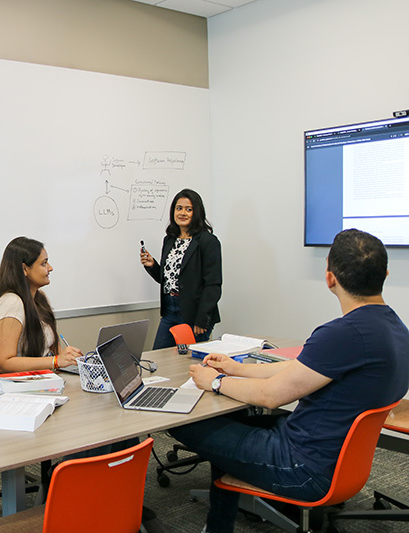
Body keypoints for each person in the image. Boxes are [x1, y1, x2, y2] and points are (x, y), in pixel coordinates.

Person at [169, 229, 409, 533]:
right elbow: (297, 371)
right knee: (237, 421)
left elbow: (272, 396)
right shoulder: (397, 330)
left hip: (300, 465)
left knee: (183, 419)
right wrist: (234, 369)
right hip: (332, 457)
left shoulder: (341, 333)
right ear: (385, 274)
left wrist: (214, 382)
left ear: (330, 277)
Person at [141, 188, 222, 349]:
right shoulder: (170, 240)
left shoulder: (208, 241)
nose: (182, 213)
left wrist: (201, 319)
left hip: (194, 313)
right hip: (170, 311)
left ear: (197, 212)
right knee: (160, 359)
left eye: (189, 209)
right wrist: (153, 266)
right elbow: (168, 279)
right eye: (179, 208)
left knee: (188, 364)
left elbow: (213, 285)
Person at [0, 236, 83, 374]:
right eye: (44, 263)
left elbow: (54, 352)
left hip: (45, 380)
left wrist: (69, 358)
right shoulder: (11, 303)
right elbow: (3, 362)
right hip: (22, 388)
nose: (50, 268)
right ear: (25, 269)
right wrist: (55, 361)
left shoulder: (40, 299)